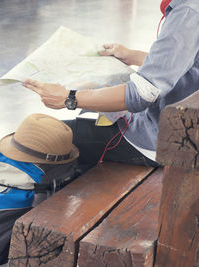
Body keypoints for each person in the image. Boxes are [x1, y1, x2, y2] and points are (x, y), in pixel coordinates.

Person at [22, 0, 199, 171]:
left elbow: (141, 95)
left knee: (36, 141)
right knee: (91, 112)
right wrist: (133, 55)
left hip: (165, 141)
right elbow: (186, 65)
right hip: (183, 130)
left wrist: (69, 98)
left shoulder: (187, 13)